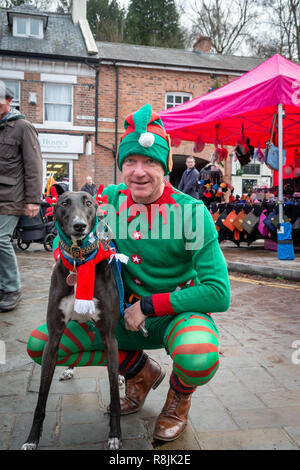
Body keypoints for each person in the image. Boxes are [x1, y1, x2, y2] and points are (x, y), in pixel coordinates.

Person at [27, 103, 230, 442]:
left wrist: (148, 307)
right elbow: (74, 230)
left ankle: (178, 399)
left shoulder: (192, 213)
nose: (139, 171)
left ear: (165, 166)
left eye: (150, 161)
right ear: (121, 166)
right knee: (42, 344)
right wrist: (61, 257)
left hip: (172, 314)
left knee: (198, 355)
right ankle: (139, 373)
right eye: (130, 161)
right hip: (119, 317)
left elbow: (218, 292)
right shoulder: (108, 200)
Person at [0, 82, 42, 312]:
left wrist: (33, 200)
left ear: (8, 100)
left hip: (11, 195)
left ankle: (12, 288)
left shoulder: (23, 126)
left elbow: (33, 165)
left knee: (0, 239)